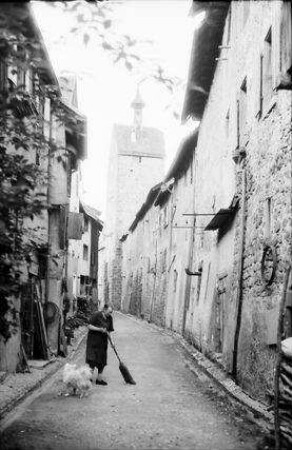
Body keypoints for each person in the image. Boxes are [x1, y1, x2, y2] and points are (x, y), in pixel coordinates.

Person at [85, 304, 114, 385]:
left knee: (102, 361)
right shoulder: (96, 315)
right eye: (109, 312)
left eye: (111, 312)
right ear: (104, 310)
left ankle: (99, 380)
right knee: (92, 361)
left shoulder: (109, 318)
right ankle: (89, 379)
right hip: (93, 342)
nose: (110, 314)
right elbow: (89, 326)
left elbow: (109, 331)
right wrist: (99, 329)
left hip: (103, 343)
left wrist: (112, 342)